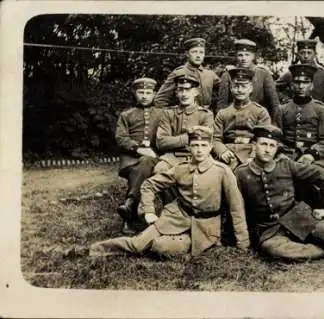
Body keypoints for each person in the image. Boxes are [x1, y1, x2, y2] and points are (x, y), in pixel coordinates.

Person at [90, 126, 250, 258]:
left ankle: (168, 241)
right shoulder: (181, 169)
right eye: (195, 145)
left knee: (161, 247)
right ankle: (92, 250)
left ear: (210, 147)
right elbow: (149, 185)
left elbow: (236, 208)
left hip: (205, 228)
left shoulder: (222, 171)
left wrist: (243, 243)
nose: (199, 150)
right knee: (136, 244)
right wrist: (149, 211)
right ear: (189, 147)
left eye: (203, 145)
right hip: (175, 217)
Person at [234, 125, 324, 260]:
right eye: (263, 144)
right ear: (254, 145)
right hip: (268, 229)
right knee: (277, 251)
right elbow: (235, 207)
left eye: (272, 146)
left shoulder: (286, 165)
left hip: (297, 217)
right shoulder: (241, 173)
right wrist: (241, 237)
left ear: (277, 148)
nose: (267, 150)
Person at [115, 77, 163, 232]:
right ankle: (133, 212)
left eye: (148, 92)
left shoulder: (162, 113)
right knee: (142, 165)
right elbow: (121, 138)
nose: (144, 96)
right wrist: (138, 149)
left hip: (155, 156)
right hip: (131, 159)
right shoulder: (126, 115)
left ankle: (130, 207)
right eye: (140, 92)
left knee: (146, 163)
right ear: (135, 93)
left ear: (154, 94)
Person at [273, 64, 324, 171]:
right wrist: (280, 152)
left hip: (315, 157)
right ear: (292, 85)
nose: (301, 86)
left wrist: (312, 154)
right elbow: (275, 137)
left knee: (313, 172)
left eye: (305, 82)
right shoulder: (282, 109)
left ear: (311, 85)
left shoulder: (320, 109)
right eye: (297, 82)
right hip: (287, 154)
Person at [154, 71, 214, 175]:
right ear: (176, 93)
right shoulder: (169, 113)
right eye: (180, 90)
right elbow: (161, 142)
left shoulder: (205, 114)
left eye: (188, 89)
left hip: (198, 156)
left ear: (196, 92)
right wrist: (188, 137)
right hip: (172, 157)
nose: (184, 94)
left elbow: (207, 140)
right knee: (160, 170)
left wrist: (174, 140)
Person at [213, 67, 271, 170]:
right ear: (231, 88)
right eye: (236, 86)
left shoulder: (260, 112)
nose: (239, 90)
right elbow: (215, 138)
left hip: (251, 153)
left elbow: (263, 139)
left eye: (244, 86)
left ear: (251, 88)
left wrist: (253, 156)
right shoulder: (223, 113)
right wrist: (222, 152)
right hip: (228, 152)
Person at [216, 39, 280, 117]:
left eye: (247, 55)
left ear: (253, 56)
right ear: (236, 56)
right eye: (240, 55)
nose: (243, 58)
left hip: (258, 119)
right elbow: (222, 103)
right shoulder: (228, 74)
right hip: (233, 118)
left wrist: (275, 125)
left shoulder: (263, 74)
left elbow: (274, 102)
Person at [154, 38, 220, 110]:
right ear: (187, 54)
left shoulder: (210, 74)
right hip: (184, 117)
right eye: (194, 52)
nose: (198, 55)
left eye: (201, 52)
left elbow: (227, 90)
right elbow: (160, 100)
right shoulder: (179, 73)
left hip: (206, 117)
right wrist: (172, 115)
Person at [276, 39, 324, 106]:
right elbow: (275, 88)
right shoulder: (291, 74)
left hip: (318, 112)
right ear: (298, 54)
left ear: (315, 54)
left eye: (309, 53)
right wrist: (285, 99)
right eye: (302, 53)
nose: (306, 56)